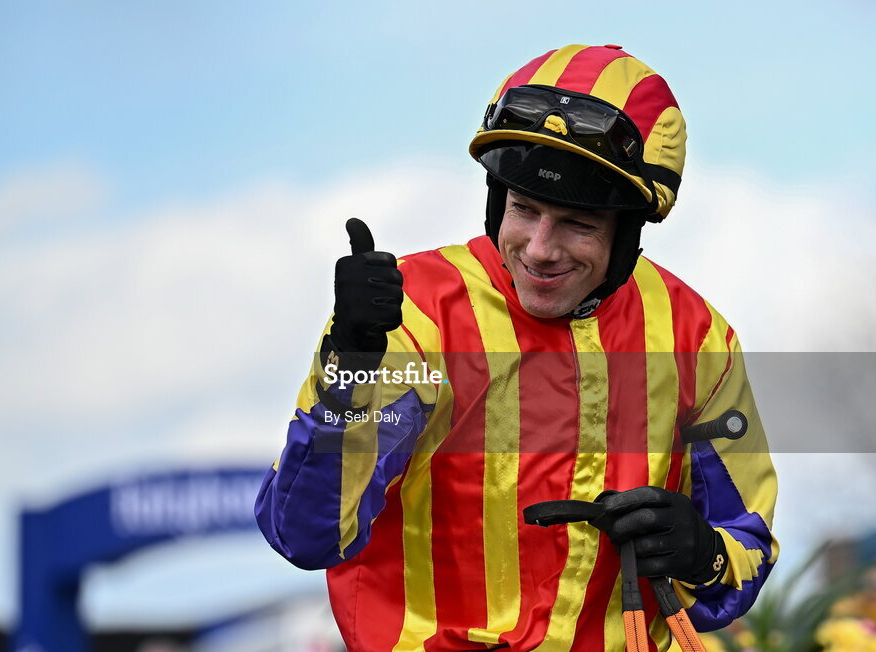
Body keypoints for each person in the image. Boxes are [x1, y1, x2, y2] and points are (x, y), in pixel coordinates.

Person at [256, 43, 778, 651]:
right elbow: (304, 534)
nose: (538, 248)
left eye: (578, 225)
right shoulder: (412, 314)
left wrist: (704, 553)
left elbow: (745, 550)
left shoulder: (698, 339)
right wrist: (349, 367)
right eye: (523, 209)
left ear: (630, 233)